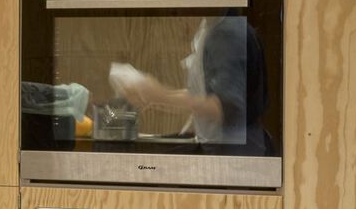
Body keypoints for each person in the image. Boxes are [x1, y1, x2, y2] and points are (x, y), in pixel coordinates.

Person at [108, 12, 270, 156]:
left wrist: (161, 95)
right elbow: (206, 95)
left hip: (237, 158)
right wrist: (153, 94)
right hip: (224, 151)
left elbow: (226, 107)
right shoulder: (210, 27)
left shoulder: (226, 34)